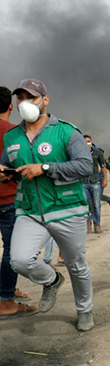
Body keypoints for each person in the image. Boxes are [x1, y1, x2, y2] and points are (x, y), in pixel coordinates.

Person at [0, 78, 94, 331]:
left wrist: (44, 167)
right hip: (30, 211)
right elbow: (10, 165)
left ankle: (85, 311)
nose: (25, 103)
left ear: (45, 100)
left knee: (77, 265)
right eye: (21, 98)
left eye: (31, 97)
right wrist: (7, 173)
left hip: (67, 210)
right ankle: (51, 280)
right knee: (19, 260)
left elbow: (86, 166)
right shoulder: (12, 136)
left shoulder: (66, 131)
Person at [0, 85, 38, 320]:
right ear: (11, 106)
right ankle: (5, 302)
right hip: (8, 201)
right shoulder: (13, 133)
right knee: (11, 251)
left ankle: (8, 289)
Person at [83, 135, 108, 234]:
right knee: (85, 204)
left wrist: (105, 179)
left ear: (91, 141)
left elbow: (103, 166)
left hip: (95, 181)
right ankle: (87, 223)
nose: (87, 143)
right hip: (83, 182)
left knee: (96, 205)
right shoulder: (78, 153)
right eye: (85, 141)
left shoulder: (98, 152)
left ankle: (97, 224)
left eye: (88, 141)